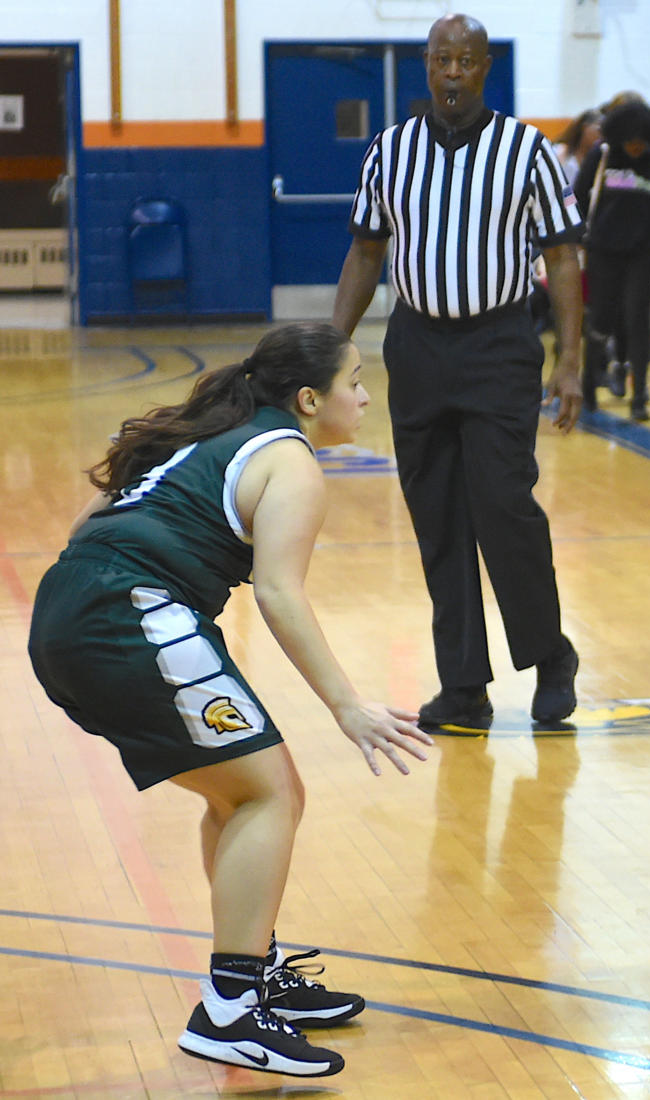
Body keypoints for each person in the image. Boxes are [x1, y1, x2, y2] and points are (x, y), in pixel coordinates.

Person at [26, 323, 435, 1076]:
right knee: (270, 794)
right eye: (354, 380)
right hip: (130, 612)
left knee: (241, 794)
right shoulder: (290, 461)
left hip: (72, 606)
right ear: (310, 399)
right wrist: (348, 707)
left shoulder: (219, 434)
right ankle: (230, 1010)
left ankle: (255, 972)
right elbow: (279, 593)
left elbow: (93, 528)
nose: (365, 394)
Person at [331, 13, 585, 731]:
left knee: (504, 505)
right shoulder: (390, 149)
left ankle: (549, 657)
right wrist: (327, 347)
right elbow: (366, 253)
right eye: (441, 59)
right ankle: (464, 686)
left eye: (465, 61)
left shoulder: (527, 150)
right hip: (416, 346)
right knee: (437, 518)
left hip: (499, 344)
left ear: (483, 69)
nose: (451, 73)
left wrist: (571, 361)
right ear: (426, 64)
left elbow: (564, 259)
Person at [576, 101, 650, 420]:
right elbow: (578, 196)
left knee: (637, 320)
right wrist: (570, 236)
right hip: (602, 251)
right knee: (600, 320)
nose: (637, 147)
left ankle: (639, 397)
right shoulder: (602, 158)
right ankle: (588, 387)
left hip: (643, 254)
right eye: (632, 141)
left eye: (643, 142)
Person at [554, 108, 603, 186]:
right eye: (599, 130)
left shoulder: (599, 156)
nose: (601, 136)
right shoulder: (561, 151)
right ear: (585, 128)